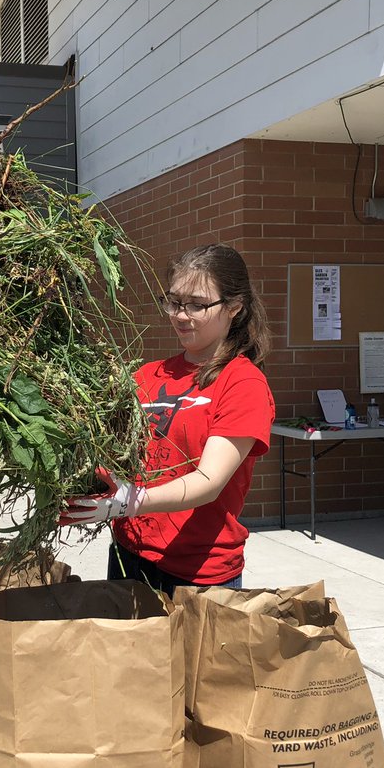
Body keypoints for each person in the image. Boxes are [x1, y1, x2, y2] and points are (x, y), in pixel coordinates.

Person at [61, 243, 274, 594]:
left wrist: (132, 501)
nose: (179, 314)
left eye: (196, 304)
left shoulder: (243, 383)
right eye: (173, 301)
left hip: (198, 574)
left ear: (234, 308)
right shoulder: (147, 375)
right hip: (129, 555)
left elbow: (209, 481)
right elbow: (111, 450)